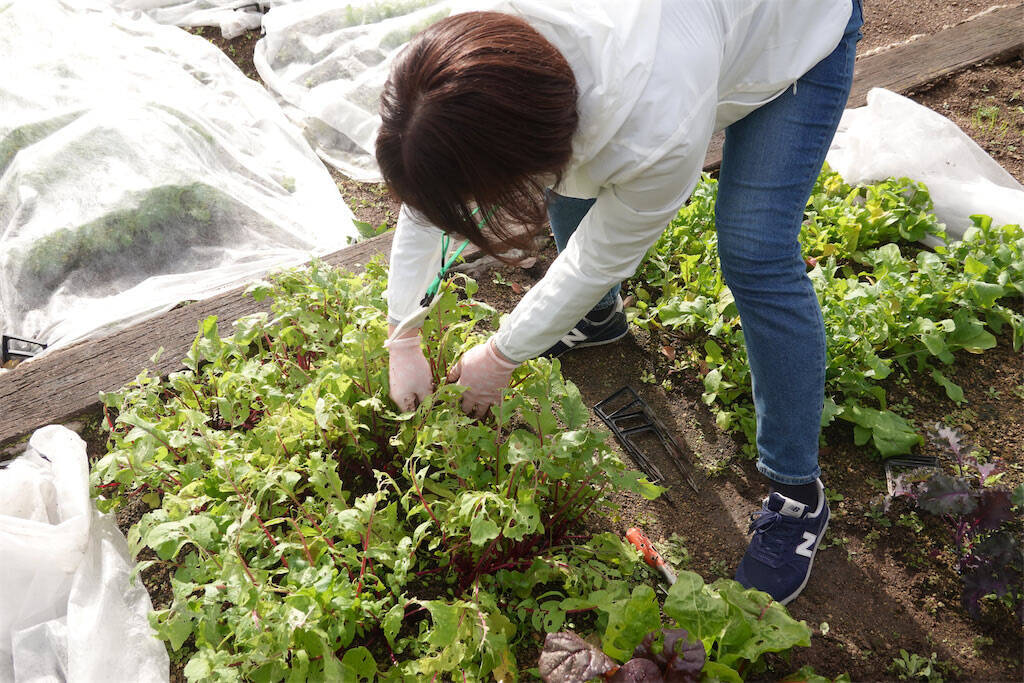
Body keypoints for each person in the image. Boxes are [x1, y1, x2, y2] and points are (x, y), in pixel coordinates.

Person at [377, 0, 863, 605]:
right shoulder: (473, 65)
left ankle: (798, 494)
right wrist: (403, 334)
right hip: (681, 41)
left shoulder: (656, 129)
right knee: (564, 178)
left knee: (755, 250)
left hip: (793, 31)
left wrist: (499, 357)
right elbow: (430, 189)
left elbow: (596, 258)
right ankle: (598, 319)